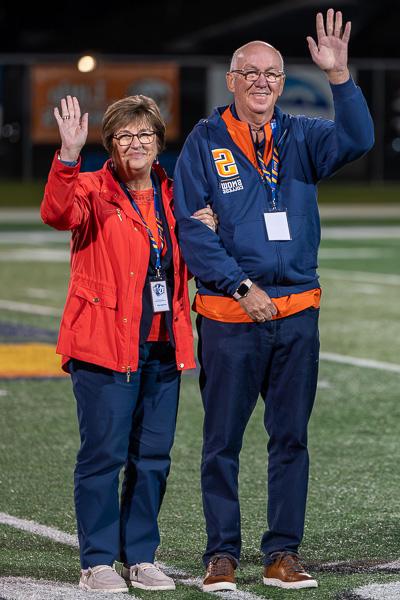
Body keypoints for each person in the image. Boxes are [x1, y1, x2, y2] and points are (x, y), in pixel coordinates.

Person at [173, 8, 374, 592]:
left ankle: (282, 553)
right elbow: (192, 229)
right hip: (232, 317)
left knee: (291, 440)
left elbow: (358, 138)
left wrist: (339, 76)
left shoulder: (302, 135)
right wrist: (241, 285)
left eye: (273, 74)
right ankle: (221, 555)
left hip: (296, 319)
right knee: (222, 444)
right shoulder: (204, 142)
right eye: (250, 72)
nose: (262, 81)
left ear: (283, 84)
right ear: (231, 80)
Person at [41, 94, 215, 593]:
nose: (135, 144)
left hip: (163, 344)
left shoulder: (175, 193)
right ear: (111, 145)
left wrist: (208, 224)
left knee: (153, 457)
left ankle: (140, 556)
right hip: (102, 345)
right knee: (103, 456)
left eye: (144, 135)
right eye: (123, 136)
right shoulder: (92, 188)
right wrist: (69, 157)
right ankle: (96, 561)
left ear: (159, 143)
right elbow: (55, 213)